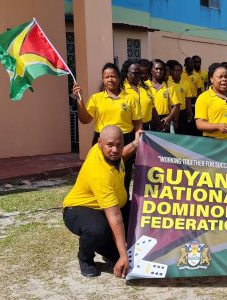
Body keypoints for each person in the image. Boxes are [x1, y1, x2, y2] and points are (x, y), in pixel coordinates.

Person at [63, 125, 142, 278]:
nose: (115, 150)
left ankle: (109, 246)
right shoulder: (100, 174)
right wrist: (123, 255)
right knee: (98, 231)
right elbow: (115, 216)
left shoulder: (108, 154)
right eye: (110, 145)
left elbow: (121, 156)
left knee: (144, 211)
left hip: (108, 209)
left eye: (119, 144)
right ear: (99, 143)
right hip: (79, 209)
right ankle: (85, 258)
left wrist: (135, 143)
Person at [73, 62, 142, 197]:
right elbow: (85, 120)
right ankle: (104, 207)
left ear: (119, 78)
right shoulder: (96, 98)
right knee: (102, 176)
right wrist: (79, 101)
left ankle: (123, 207)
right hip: (102, 142)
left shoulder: (131, 97)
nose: (110, 79)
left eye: (113, 76)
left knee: (124, 175)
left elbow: (138, 123)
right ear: (103, 79)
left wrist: (137, 140)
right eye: (107, 77)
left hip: (125, 141)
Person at [195, 63, 227, 140]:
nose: (224, 79)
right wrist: (218, 126)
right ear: (211, 79)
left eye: (226, 77)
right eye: (220, 77)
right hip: (215, 143)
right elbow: (200, 124)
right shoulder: (203, 97)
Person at [121, 59, 161, 131]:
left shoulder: (146, 86)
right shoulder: (121, 88)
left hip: (147, 127)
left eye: (140, 73)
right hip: (130, 129)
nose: (139, 75)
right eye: (135, 73)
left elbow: (152, 107)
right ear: (126, 73)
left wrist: (159, 124)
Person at [146, 59, 180, 133]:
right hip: (150, 120)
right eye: (156, 69)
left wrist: (169, 117)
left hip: (164, 120)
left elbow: (176, 105)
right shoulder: (145, 86)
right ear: (151, 70)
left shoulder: (169, 86)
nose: (159, 71)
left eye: (161, 69)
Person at [168, 60, 193, 134]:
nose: (177, 72)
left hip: (182, 112)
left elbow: (188, 100)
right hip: (170, 112)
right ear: (171, 71)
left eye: (179, 70)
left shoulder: (186, 83)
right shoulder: (167, 82)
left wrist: (190, 114)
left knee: (182, 132)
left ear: (181, 71)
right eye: (175, 70)